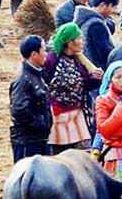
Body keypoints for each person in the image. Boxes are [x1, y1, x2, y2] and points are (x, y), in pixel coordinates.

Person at [42, 24, 101, 152]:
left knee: (83, 153)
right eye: (79, 38)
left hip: (77, 114)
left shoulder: (79, 60)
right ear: (70, 42)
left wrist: (96, 79)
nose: (82, 42)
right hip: (57, 115)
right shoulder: (52, 60)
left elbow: (84, 84)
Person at [10, 35, 53, 162]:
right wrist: (40, 124)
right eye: (44, 50)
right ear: (34, 54)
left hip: (37, 139)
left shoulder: (36, 74)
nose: (46, 54)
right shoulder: (23, 79)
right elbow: (18, 110)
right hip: (27, 141)